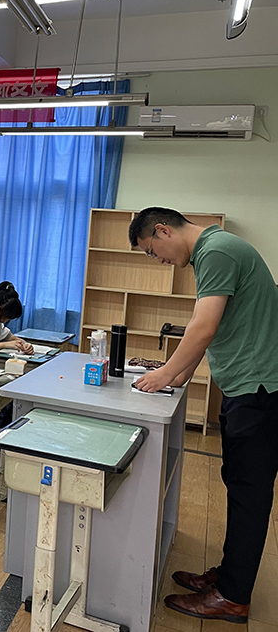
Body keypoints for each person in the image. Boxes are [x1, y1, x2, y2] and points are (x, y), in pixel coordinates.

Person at [129, 207, 278, 623]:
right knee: (240, 487)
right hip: (248, 388)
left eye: (152, 251)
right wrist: (177, 373)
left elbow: (204, 328)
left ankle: (232, 596)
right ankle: (229, 577)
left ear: (162, 230)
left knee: (248, 495)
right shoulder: (214, 251)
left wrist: (164, 374)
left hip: (257, 390)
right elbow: (204, 324)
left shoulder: (217, 251)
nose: (158, 260)